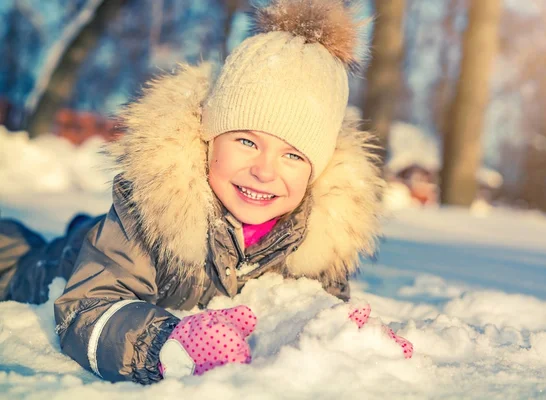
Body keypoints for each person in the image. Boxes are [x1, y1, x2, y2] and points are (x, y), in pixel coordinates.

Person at [0, 0, 412, 384]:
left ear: (315, 173)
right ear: (209, 137)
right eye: (247, 142)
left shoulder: (319, 239)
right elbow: (86, 308)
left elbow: (311, 304)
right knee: (17, 262)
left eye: (293, 155)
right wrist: (167, 343)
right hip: (64, 265)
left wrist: (347, 339)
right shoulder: (152, 206)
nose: (264, 170)